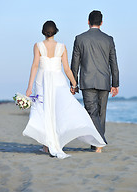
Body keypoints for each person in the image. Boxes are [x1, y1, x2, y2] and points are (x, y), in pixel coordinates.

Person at [23, 20, 106, 159]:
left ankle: (46, 145)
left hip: (42, 81)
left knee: (45, 111)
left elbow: (35, 66)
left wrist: (29, 86)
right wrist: (74, 83)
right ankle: (91, 141)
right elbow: (67, 69)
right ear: (55, 31)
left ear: (44, 31)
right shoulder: (62, 47)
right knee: (58, 110)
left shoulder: (38, 46)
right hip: (58, 81)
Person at [71, 10, 119, 153]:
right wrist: (115, 83)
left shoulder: (80, 38)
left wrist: (73, 83)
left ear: (88, 21)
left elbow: (75, 63)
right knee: (100, 113)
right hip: (104, 81)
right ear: (101, 23)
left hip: (87, 80)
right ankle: (98, 143)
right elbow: (114, 63)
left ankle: (98, 142)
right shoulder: (108, 39)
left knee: (92, 112)